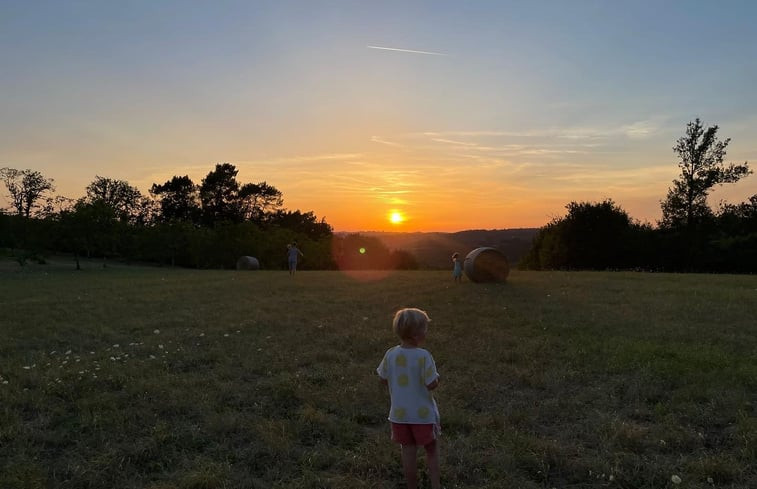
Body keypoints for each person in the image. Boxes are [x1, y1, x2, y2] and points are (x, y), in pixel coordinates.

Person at [377, 308, 441, 489]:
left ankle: (412, 486)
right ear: (415, 334)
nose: (426, 333)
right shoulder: (423, 356)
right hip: (422, 416)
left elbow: (382, 378)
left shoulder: (390, 354)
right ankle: (436, 485)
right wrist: (437, 378)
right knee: (431, 450)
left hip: (399, 415)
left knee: (408, 452)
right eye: (425, 329)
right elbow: (431, 384)